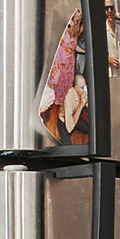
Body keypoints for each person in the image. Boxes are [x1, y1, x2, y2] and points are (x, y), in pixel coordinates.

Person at [38, 8, 84, 144]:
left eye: (80, 15)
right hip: (60, 58)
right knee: (55, 82)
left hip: (70, 60)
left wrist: (85, 51)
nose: (78, 17)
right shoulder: (66, 24)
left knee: (65, 85)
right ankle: (49, 108)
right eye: (77, 14)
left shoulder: (79, 29)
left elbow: (74, 47)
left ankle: (62, 111)